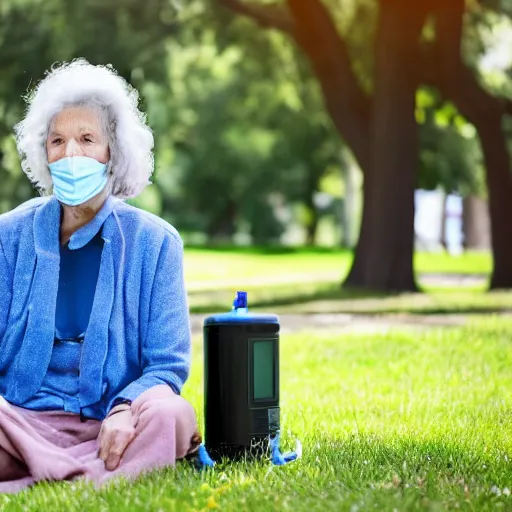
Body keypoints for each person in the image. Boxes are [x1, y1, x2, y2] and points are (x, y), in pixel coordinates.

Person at [0, 59, 200, 493]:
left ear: (113, 151)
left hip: (114, 423)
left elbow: (167, 366)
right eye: (58, 141)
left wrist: (126, 408)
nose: (71, 155)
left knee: (172, 415)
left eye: (87, 139)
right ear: (43, 153)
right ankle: (99, 476)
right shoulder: (7, 236)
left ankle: (48, 475)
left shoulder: (157, 242)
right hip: (20, 419)